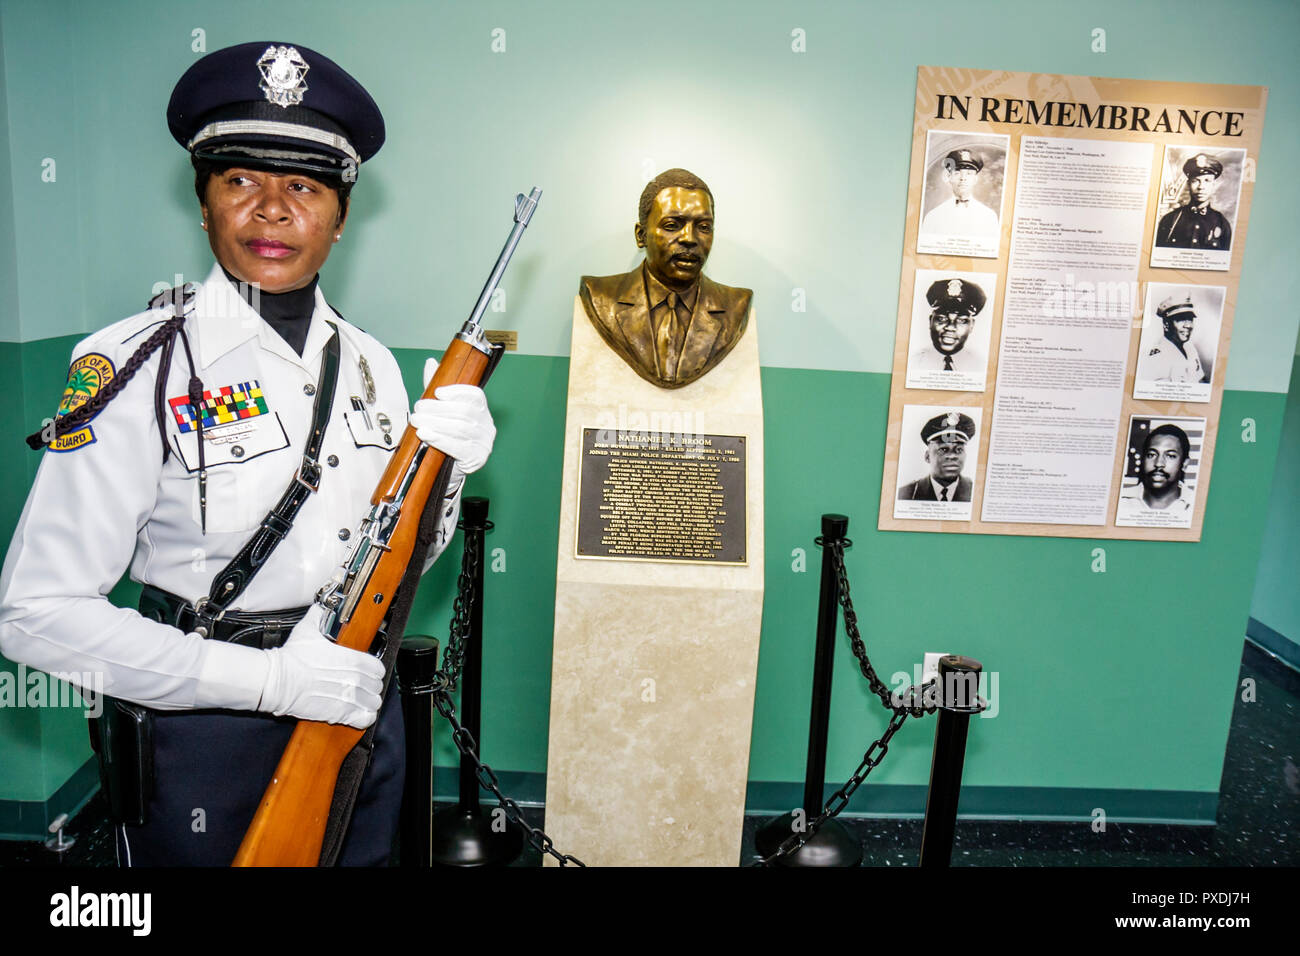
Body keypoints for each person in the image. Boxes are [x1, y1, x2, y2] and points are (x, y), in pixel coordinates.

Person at [0, 42, 496, 866]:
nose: (271, 209)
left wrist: (446, 478)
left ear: (340, 216)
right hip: (203, 733)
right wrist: (269, 684)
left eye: (303, 186)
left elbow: (401, 559)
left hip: (356, 708)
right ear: (203, 205)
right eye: (240, 181)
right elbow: (35, 613)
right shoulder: (135, 364)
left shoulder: (373, 364)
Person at [579, 168, 751, 389]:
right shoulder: (600, 295)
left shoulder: (735, 305)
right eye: (672, 225)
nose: (689, 239)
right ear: (641, 236)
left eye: (703, 227)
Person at [910, 278, 987, 374]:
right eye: (942, 319)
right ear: (931, 321)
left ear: (972, 326)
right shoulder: (911, 364)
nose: (950, 327)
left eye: (961, 320)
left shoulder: (982, 368)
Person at [1154, 154, 1233, 250]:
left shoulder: (1221, 223)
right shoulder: (1170, 220)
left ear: (1213, 185)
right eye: (1196, 181)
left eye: (1207, 181)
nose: (1201, 187)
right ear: (1188, 184)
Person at [1116, 424, 1194, 518]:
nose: (1158, 463)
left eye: (1170, 456)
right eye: (1151, 455)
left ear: (1184, 464)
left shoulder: (1196, 504)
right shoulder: (1119, 500)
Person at [920, 149, 1000, 237]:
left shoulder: (989, 217)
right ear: (949, 178)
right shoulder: (933, 217)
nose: (963, 178)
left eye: (969, 173)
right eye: (957, 173)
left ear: (975, 179)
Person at [898, 412, 976, 502]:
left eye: (958, 449)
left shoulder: (975, 492)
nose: (952, 456)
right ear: (927, 456)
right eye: (943, 449)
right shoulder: (906, 494)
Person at [1143, 293, 1206, 383]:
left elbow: (1200, 380)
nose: (1188, 325)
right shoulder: (1157, 356)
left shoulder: (1190, 348)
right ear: (1166, 324)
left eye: (1190, 319)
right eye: (1181, 319)